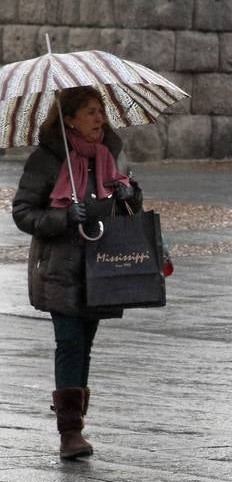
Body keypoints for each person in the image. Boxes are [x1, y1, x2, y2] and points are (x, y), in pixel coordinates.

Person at [12, 86, 142, 459]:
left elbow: (132, 202)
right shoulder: (47, 159)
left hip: (101, 265)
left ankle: (75, 427)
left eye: (101, 111)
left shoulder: (110, 155)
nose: (100, 119)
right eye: (90, 112)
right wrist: (63, 217)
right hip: (60, 268)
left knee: (84, 346)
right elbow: (23, 212)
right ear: (69, 118)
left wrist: (130, 195)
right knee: (69, 342)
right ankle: (70, 433)